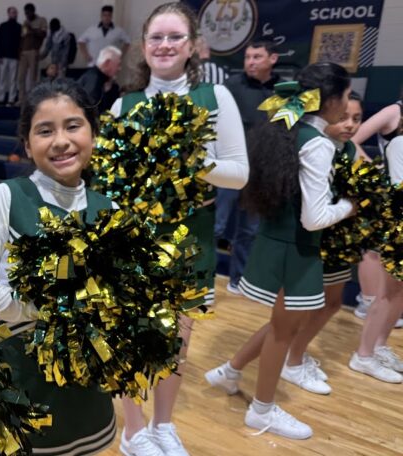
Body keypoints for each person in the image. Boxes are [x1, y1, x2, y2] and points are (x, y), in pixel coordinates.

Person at [0, 78, 116, 456]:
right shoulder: (7, 197)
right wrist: (44, 309)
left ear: (93, 132)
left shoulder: (109, 209)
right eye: (45, 130)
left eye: (73, 125)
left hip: (86, 385)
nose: (61, 140)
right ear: (27, 143)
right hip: (19, 375)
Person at [111, 3, 248, 454]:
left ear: (192, 47)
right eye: (156, 37)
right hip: (132, 238)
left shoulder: (216, 98)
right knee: (131, 337)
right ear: (144, 46)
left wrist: (187, 160)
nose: (164, 45)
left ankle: (164, 425)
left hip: (189, 238)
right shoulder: (123, 104)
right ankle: (133, 430)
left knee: (175, 340)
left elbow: (238, 172)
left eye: (174, 37)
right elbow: (110, 183)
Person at [206, 62, 354, 439]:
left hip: (279, 242)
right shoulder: (317, 143)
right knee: (284, 330)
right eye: (347, 96)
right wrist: (351, 205)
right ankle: (262, 410)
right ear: (331, 100)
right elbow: (315, 217)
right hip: (298, 249)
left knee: (283, 324)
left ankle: (230, 371)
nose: (348, 104)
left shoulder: (292, 131)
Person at [280, 92, 363, 395]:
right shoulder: (317, 146)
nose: (350, 124)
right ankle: (292, 360)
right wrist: (349, 206)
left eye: (357, 119)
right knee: (304, 308)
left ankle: (294, 356)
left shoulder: (349, 148)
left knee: (331, 302)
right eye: (344, 117)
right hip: (318, 238)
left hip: (340, 237)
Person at [217, 39, 281, 294]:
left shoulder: (284, 91)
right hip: (229, 167)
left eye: (257, 57)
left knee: (250, 229)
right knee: (216, 226)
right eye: (248, 57)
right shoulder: (230, 86)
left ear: (272, 59)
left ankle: (238, 279)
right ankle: (199, 281)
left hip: (261, 172)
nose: (251, 62)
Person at [348, 134, 403, 383]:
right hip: (398, 228)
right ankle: (364, 355)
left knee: (399, 294)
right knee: (387, 294)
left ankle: (379, 347)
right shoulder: (400, 144)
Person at [17, 3, 47, 104]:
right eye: (25, 13)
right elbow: (22, 37)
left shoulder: (41, 20)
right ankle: (21, 99)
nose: (27, 15)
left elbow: (43, 34)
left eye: (28, 13)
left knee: (32, 77)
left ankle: (32, 100)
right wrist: (19, 50)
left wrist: (32, 29)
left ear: (33, 11)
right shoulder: (25, 22)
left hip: (33, 51)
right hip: (23, 52)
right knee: (21, 77)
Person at [77, 46, 122, 111]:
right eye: (118, 65)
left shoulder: (104, 80)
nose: (119, 69)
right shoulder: (93, 80)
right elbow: (90, 109)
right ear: (107, 63)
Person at [0, 6, 22, 105]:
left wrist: (19, 55)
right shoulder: (2, 26)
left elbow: (21, 42)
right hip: (3, 56)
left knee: (13, 79)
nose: (14, 14)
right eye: (12, 12)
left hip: (14, 57)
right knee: (2, 78)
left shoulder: (19, 27)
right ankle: (1, 98)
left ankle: (11, 99)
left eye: (15, 13)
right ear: (8, 13)